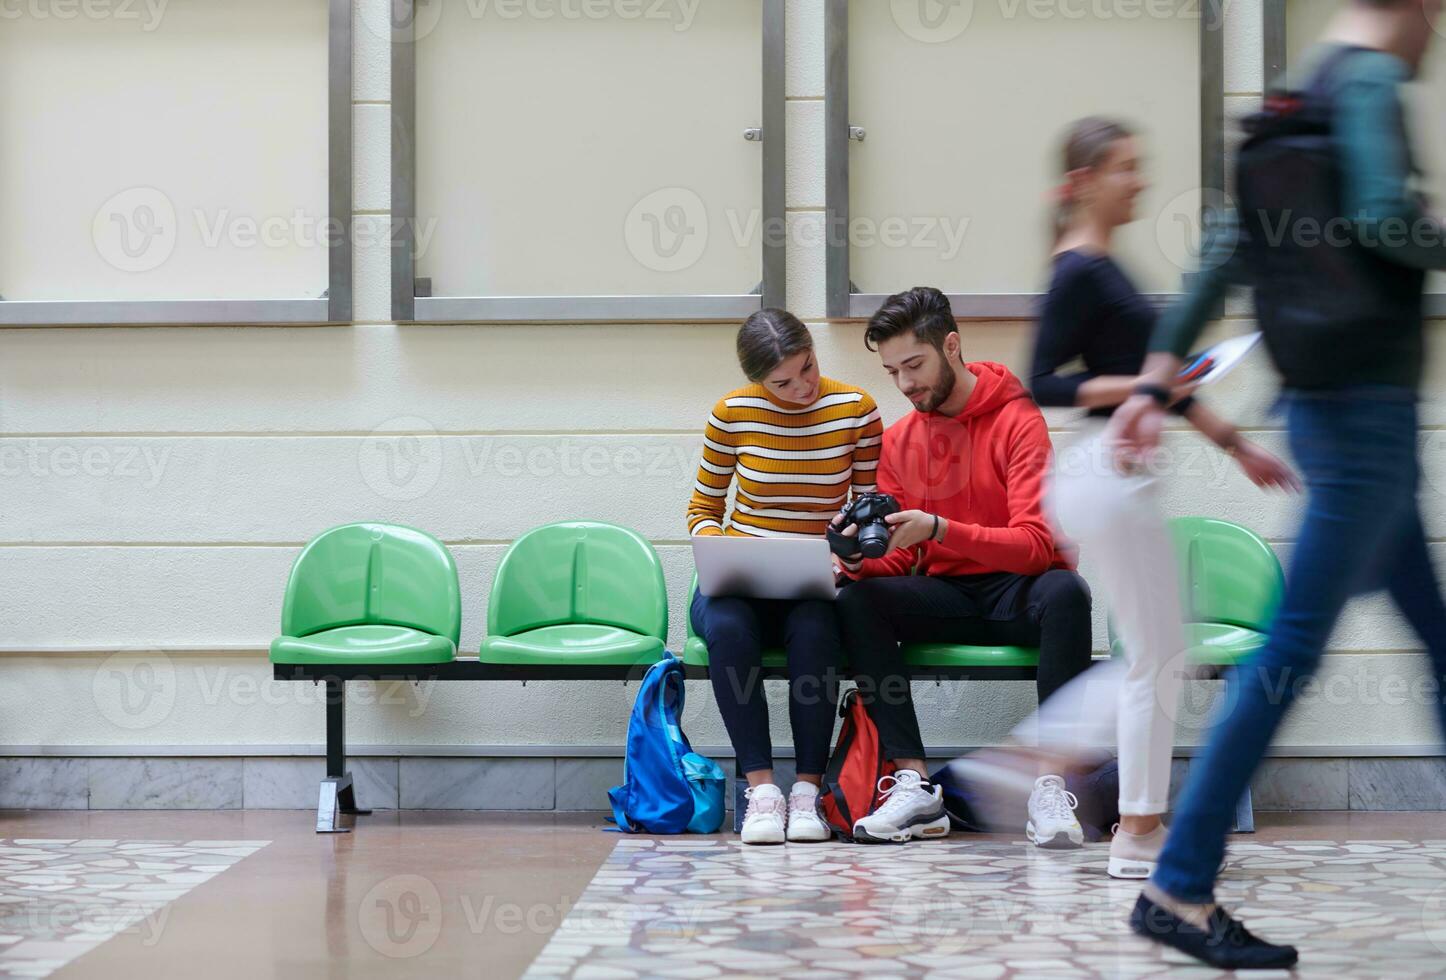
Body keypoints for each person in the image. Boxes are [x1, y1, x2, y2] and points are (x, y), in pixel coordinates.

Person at [1110, 0, 1446, 968]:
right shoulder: (1375, 83)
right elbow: (1387, 217)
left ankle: (1178, 875)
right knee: (1290, 650)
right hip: (1365, 417)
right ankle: (1178, 880)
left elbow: (1221, 256)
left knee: (1434, 634)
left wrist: (1151, 379)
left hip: (1321, 405)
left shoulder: (1292, 106)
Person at [1015, 117, 1295, 880]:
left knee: (1161, 655)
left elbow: (1163, 385)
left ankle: (1083, 777)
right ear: (1082, 183)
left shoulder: (1108, 269)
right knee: (1159, 658)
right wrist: (1140, 387)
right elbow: (1042, 381)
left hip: (1116, 476)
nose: (1139, 179)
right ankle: (1132, 823)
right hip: (1102, 474)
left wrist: (1237, 447)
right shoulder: (1078, 268)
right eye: (1124, 168)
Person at [831, 286, 1095, 845]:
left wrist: (942, 528)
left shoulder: (1018, 419)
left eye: (914, 365)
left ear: (951, 347)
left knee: (1067, 591)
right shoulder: (900, 439)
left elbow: (1035, 545)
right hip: (946, 594)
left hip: (1020, 590)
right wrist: (856, 561)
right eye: (891, 371)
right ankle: (915, 786)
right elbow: (902, 556)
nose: (904, 384)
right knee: (855, 600)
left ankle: (1051, 785)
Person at [687, 308, 884, 845]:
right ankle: (762, 793)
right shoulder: (731, 414)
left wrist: (846, 554)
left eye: (808, 367)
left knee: (819, 630)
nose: (802, 386)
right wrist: (721, 546)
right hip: (739, 582)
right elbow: (703, 507)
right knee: (727, 628)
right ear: (757, 381)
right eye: (782, 381)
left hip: (813, 582)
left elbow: (868, 510)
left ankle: (805, 792)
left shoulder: (855, 410)